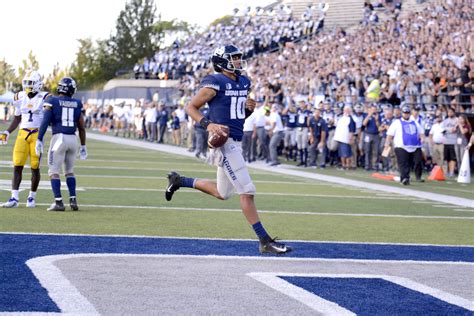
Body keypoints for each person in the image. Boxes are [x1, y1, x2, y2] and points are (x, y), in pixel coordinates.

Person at [164, 44, 291, 254]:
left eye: (239, 58)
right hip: (224, 143)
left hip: (236, 139)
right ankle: (265, 240)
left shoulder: (243, 82)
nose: (239, 62)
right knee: (247, 190)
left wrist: (248, 111)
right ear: (222, 62)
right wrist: (208, 124)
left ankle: (180, 181)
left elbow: (237, 117)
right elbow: (191, 107)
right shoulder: (215, 81)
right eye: (234, 58)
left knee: (223, 193)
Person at [35, 77, 87, 211]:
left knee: (53, 172)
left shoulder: (52, 100)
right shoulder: (77, 103)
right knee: (69, 171)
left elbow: (45, 121)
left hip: (59, 138)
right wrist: (83, 145)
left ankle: (58, 202)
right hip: (73, 139)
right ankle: (73, 199)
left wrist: (39, 139)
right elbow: (81, 126)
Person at [0, 71, 48, 208]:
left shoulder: (45, 97)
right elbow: (17, 117)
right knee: (17, 164)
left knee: (35, 166)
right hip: (22, 133)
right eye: (26, 82)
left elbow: (48, 118)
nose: (28, 86)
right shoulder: (19, 97)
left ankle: (32, 197)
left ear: (38, 84)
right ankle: (14, 197)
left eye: (31, 83)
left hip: (37, 134)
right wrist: (7, 132)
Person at [384, 105, 424, 185]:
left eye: (407, 113)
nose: (406, 114)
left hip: (414, 146)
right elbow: (390, 134)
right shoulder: (397, 123)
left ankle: (418, 176)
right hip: (401, 146)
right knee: (403, 163)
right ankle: (405, 178)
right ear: (402, 113)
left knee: (417, 161)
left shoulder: (414, 122)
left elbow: (421, 132)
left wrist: (422, 139)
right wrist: (387, 144)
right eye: (405, 113)